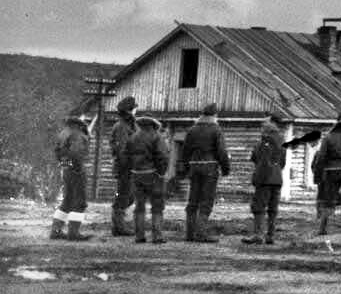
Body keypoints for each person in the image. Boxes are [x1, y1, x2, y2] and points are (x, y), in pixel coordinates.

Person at [179, 100, 232, 244]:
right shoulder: (216, 129)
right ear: (215, 115)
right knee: (206, 201)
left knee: (193, 201)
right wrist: (226, 168)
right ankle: (200, 233)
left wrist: (184, 167)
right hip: (210, 167)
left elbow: (185, 151)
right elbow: (221, 152)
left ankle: (189, 233)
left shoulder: (192, 130)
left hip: (194, 167)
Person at [122, 112, 173, 244]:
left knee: (139, 206)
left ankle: (139, 236)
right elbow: (163, 157)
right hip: (153, 175)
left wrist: (132, 170)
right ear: (153, 124)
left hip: (136, 175)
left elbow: (125, 157)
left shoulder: (132, 138)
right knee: (157, 205)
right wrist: (161, 172)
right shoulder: (157, 137)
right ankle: (157, 236)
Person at [243, 110, 288, 245]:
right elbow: (283, 162)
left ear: (272, 124)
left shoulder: (265, 139)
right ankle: (270, 236)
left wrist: (259, 176)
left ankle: (258, 235)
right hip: (277, 177)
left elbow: (257, 158)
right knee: (273, 208)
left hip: (264, 177)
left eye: (266, 121)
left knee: (259, 207)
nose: (263, 123)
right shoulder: (283, 140)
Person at [52, 113, 92, 240]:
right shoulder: (78, 134)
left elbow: (57, 152)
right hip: (76, 170)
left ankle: (56, 231)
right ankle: (74, 233)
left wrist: (65, 165)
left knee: (67, 201)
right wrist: (78, 168)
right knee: (80, 203)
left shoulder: (64, 132)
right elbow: (76, 153)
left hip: (66, 169)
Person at [108, 97, 139, 236]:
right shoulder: (121, 126)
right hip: (125, 167)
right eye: (135, 108)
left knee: (129, 196)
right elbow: (122, 150)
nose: (137, 111)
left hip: (130, 167)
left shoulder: (130, 125)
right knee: (123, 196)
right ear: (130, 110)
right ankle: (118, 227)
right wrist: (128, 165)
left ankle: (119, 224)